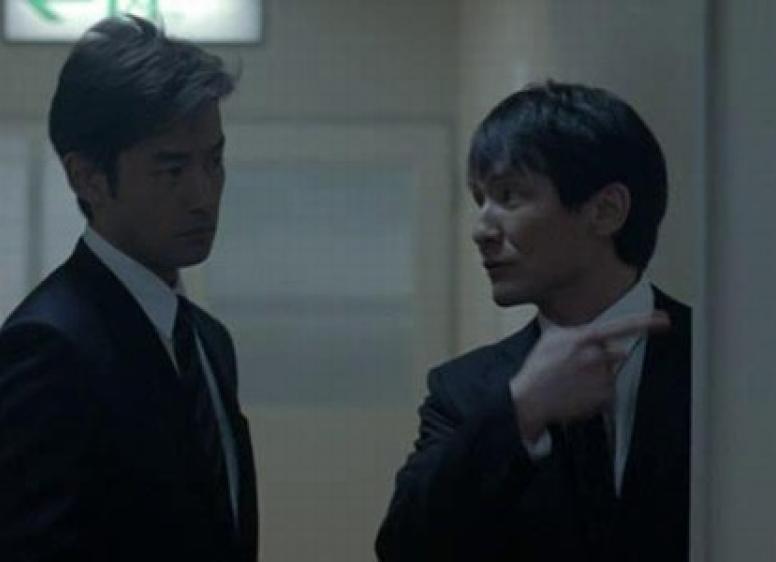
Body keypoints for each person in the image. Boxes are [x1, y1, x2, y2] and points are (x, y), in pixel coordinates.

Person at [376, 81, 690, 561]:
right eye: (479, 200)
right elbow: (404, 548)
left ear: (605, 211)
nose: (481, 230)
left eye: (509, 196)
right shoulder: (465, 391)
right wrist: (521, 410)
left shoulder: (722, 362)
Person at [0, 15, 258, 562]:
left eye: (214, 161)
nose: (203, 195)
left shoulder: (208, 342)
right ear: (88, 177)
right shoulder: (48, 346)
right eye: (172, 169)